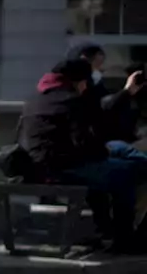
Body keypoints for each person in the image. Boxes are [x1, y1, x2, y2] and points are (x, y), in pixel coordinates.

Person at [18, 58, 147, 252]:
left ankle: (105, 230)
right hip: (63, 167)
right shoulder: (70, 100)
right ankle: (123, 238)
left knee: (120, 149)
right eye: (86, 82)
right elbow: (85, 143)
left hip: (48, 162)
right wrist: (105, 155)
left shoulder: (39, 96)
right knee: (126, 173)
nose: (86, 87)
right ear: (78, 81)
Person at [72, 42, 143, 144]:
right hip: (96, 142)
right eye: (98, 63)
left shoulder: (98, 82)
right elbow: (101, 106)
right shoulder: (82, 85)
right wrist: (126, 91)